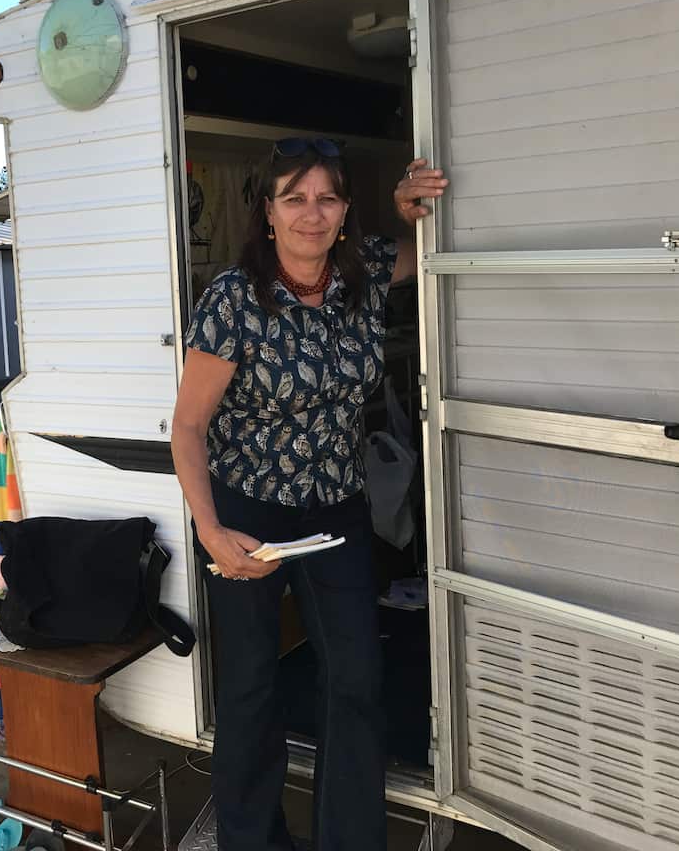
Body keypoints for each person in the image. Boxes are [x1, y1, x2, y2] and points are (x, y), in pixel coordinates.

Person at [170, 139, 447, 851]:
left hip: (335, 510)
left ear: (346, 210)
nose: (310, 215)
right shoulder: (234, 299)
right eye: (294, 198)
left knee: (355, 678)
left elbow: (435, 241)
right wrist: (210, 529)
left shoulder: (368, 274)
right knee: (253, 685)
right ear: (268, 213)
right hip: (249, 510)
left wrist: (407, 207)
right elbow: (189, 426)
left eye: (326, 198)